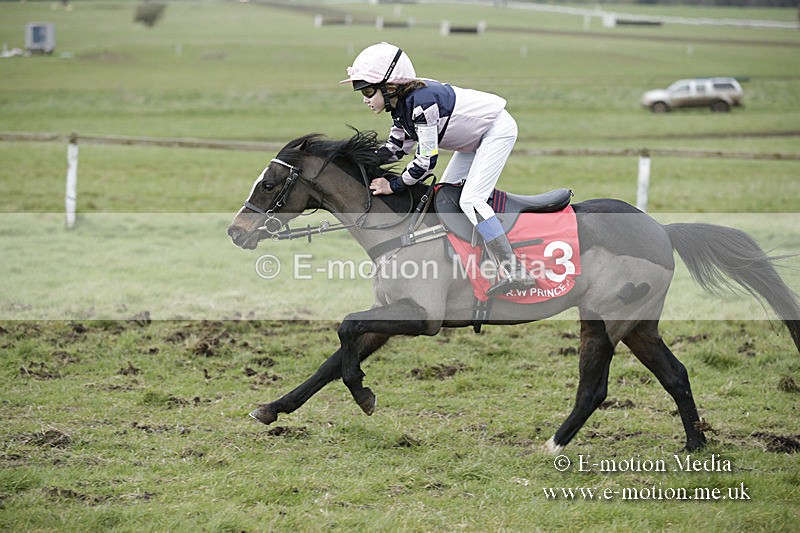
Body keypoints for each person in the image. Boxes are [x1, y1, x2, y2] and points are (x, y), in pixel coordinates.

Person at [341, 42, 535, 296]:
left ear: (389, 87)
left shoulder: (421, 103)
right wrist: (353, 166)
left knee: (472, 201)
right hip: (472, 141)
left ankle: (515, 269)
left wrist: (394, 185)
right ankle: (462, 265)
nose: (365, 100)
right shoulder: (400, 107)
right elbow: (395, 149)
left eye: (367, 91)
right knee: (442, 196)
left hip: (495, 131)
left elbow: (426, 161)